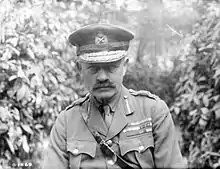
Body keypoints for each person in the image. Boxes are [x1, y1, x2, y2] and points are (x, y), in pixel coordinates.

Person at [42, 23, 187, 169]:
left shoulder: (153, 112)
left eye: (111, 67)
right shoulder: (67, 122)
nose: (102, 77)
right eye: (93, 68)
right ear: (80, 69)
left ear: (124, 66)